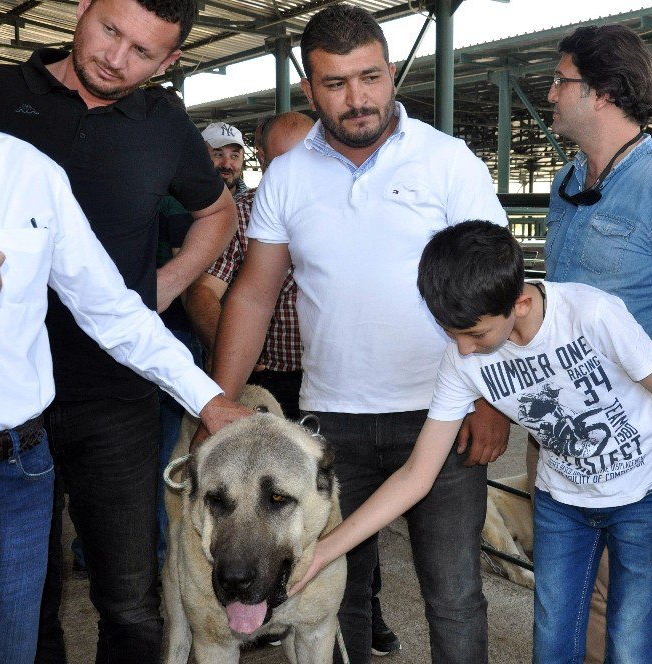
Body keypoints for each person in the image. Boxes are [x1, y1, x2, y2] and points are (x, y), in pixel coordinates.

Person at [204, 5, 510, 663]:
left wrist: (490, 400)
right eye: (336, 83)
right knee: (333, 590)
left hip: (444, 413)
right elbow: (254, 294)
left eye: (370, 77)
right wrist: (219, 404)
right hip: (331, 424)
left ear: (391, 72)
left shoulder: (447, 161)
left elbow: (495, 291)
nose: (357, 98)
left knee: (454, 593)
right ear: (309, 88)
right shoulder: (288, 175)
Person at [0, 4, 251, 661]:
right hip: (24, 416)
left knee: (120, 597)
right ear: (85, 9)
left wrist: (203, 386)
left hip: (54, 430)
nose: (115, 57)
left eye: (142, 51)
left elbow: (114, 305)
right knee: (29, 615)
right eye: (109, 31)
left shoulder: (30, 172)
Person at [296, 220, 652, 664]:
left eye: (476, 335)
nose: (465, 350)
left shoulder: (593, 314)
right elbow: (416, 474)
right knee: (552, 641)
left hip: (645, 495)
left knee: (633, 645)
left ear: (521, 302)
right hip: (561, 502)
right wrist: (323, 551)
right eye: (453, 336)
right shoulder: (463, 360)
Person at [540, 24, 652, 663]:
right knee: (586, 602)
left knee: (638, 613)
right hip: (566, 437)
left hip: (636, 445)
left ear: (602, 93)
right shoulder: (566, 191)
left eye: (562, 81)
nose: (551, 92)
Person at [187, 112, 312, 420]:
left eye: (307, 159)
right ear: (262, 157)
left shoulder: (346, 211)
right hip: (270, 379)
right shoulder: (241, 216)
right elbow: (203, 291)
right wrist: (233, 352)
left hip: (336, 378)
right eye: (283, 162)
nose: (296, 173)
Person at [203, 120, 250, 199]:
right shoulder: (181, 203)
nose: (226, 165)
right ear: (200, 157)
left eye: (234, 156)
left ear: (243, 161)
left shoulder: (256, 203)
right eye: (219, 155)